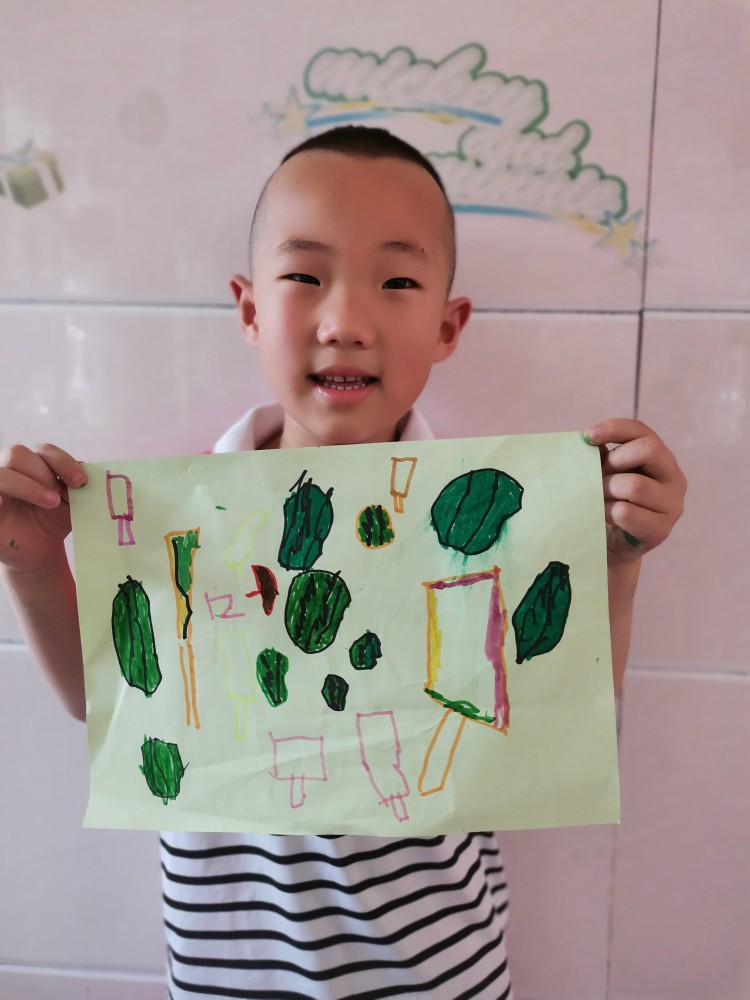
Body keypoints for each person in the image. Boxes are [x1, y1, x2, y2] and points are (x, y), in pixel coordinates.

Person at [0, 125, 687, 999]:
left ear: (447, 326)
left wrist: (616, 561)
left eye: (397, 282)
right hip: (231, 967)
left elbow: (555, 710)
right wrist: (31, 565)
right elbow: (104, 701)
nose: (346, 324)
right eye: (304, 276)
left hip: (438, 969)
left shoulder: (489, 518)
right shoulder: (175, 527)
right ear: (250, 309)